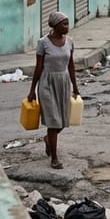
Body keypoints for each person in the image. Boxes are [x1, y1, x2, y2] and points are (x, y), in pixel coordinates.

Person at [26, 11, 79, 170]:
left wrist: (75, 87)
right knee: (53, 121)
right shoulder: (43, 43)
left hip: (63, 83)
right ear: (55, 26)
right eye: (64, 24)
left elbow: (70, 65)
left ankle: (49, 140)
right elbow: (38, 67)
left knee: (62, 120)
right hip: (47, 83)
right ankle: (54, 158)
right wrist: (32, 90)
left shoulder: (70, 42)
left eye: (67, 23)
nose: (67, 27)